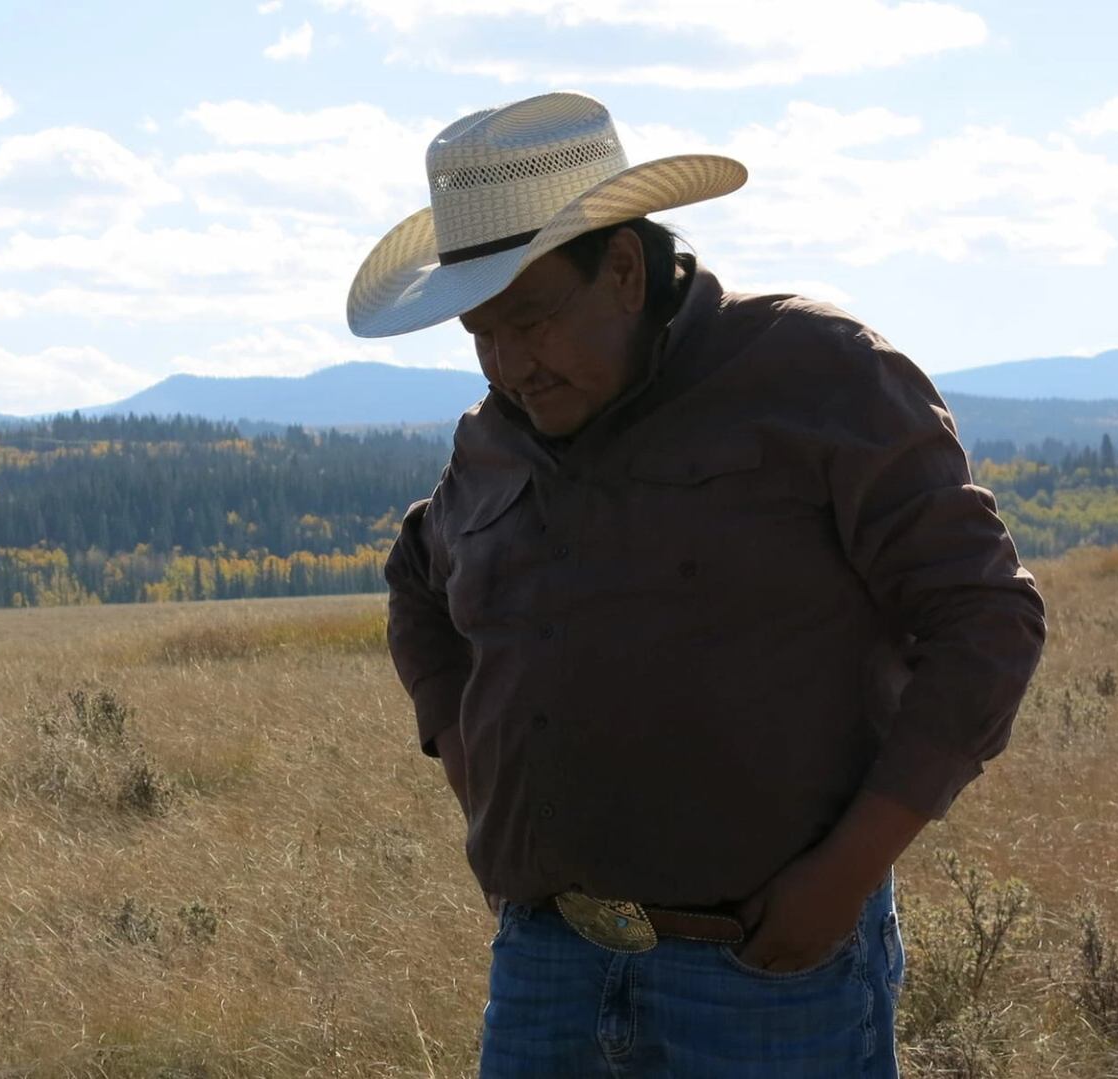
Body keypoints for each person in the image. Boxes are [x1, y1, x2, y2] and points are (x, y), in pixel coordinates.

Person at [349, 92, 1045, 1076]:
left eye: (532, 320)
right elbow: (418, 582)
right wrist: (472, 770)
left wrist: (843, 877)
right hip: (548, 961)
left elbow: (986, 617)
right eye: (480, 334)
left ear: (624, 269)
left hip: (765, 965)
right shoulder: (496, 436)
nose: (509, 365)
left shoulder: (817, 376)